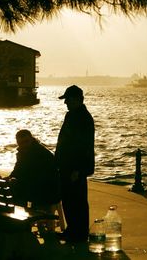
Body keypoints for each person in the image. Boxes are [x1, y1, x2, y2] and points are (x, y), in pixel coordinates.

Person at [55, 85, 95, 243]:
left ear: (77, 99)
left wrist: (78, 169)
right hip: (66, 166)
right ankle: (72, 230)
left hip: (75, 168)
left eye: (68, 99)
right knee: (68, 201)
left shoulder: (83, 118)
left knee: (77, 202)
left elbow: (83, 146)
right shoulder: (72, 115)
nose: (66, 103)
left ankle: (79, 233)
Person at [8, 129, 60, 208]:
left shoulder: (41, 153)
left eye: (26, 141)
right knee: (17, 190)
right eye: (21, 143)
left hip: (46, 191)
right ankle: (23, 214)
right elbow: (18, 170)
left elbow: (41, 175)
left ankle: (24, 214)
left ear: (31, 139)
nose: (24, 144)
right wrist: (11, 177)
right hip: (36, 189)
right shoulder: (23, 153)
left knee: (19, 190)